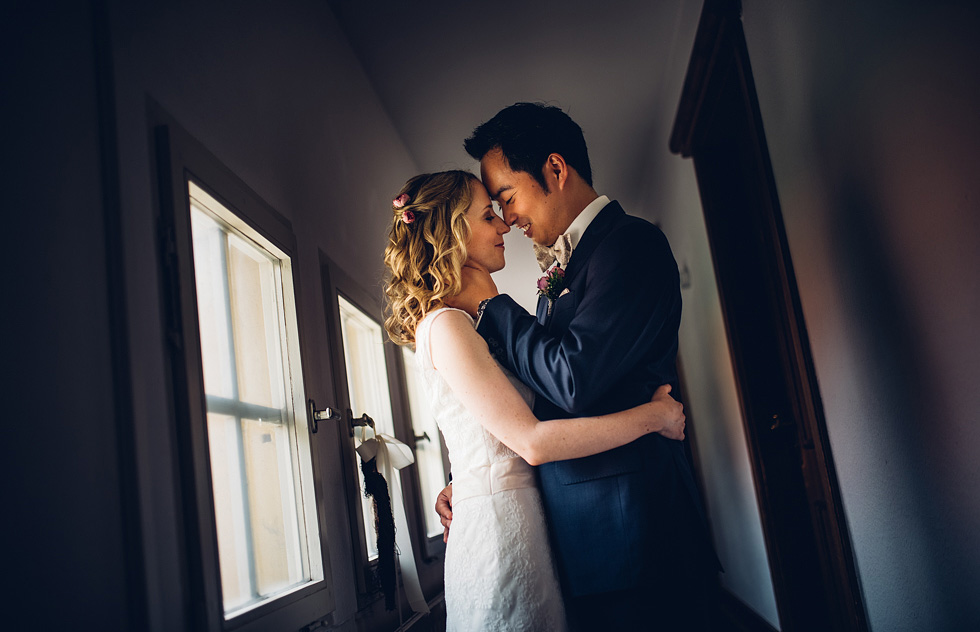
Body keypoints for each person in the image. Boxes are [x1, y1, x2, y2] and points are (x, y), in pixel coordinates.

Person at [437, 103, 720, 630]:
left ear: (555, 169)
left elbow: (572, 381)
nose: (506, 219)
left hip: (636, 539)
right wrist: (475, 478)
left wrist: (493, 306)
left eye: (507, 197)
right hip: (589, 544)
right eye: (493, 209)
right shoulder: (570, 265)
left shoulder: (630, 245)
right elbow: (537, 396)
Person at [382, 170, 688, 631]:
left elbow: (502, 415)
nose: (504, 224)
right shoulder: (445, 325)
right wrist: (654, 416)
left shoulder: (469, 323)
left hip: (529, 526)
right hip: (502, 537)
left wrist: (465, 479)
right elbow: (532, 441)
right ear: (453, 232)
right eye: (489, 214)